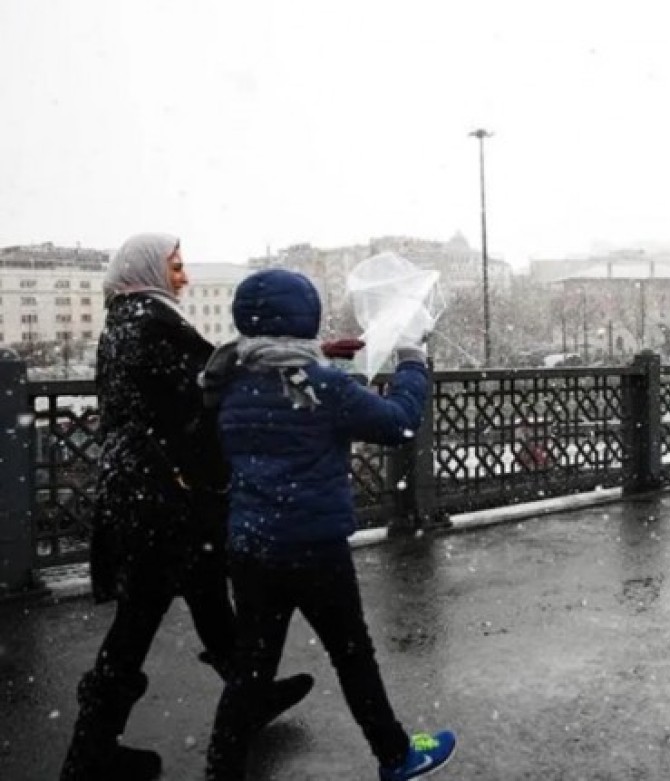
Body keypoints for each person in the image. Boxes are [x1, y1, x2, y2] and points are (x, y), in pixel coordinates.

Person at [61, 234, 313, 780]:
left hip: (145, 489)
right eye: (175, 267)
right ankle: (88, 755)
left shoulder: (125, 320)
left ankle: (250, 696)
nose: (184, 277)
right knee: (137, 622)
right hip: (159, 497)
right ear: (149, 269)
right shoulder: (150, 322)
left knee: (203, 594)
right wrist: (284, 357)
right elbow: (207, 383)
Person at [201, 268, 456, 780]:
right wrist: (412, 361)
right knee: (352, 656)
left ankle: (220, 768)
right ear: (305, 316)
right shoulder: (321, 385)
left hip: (250, 547)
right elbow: (397, 422)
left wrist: (317, 353)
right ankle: (395, 755)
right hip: (314, 547)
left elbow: (279, 380)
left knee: (251, 670)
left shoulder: (227, 377)